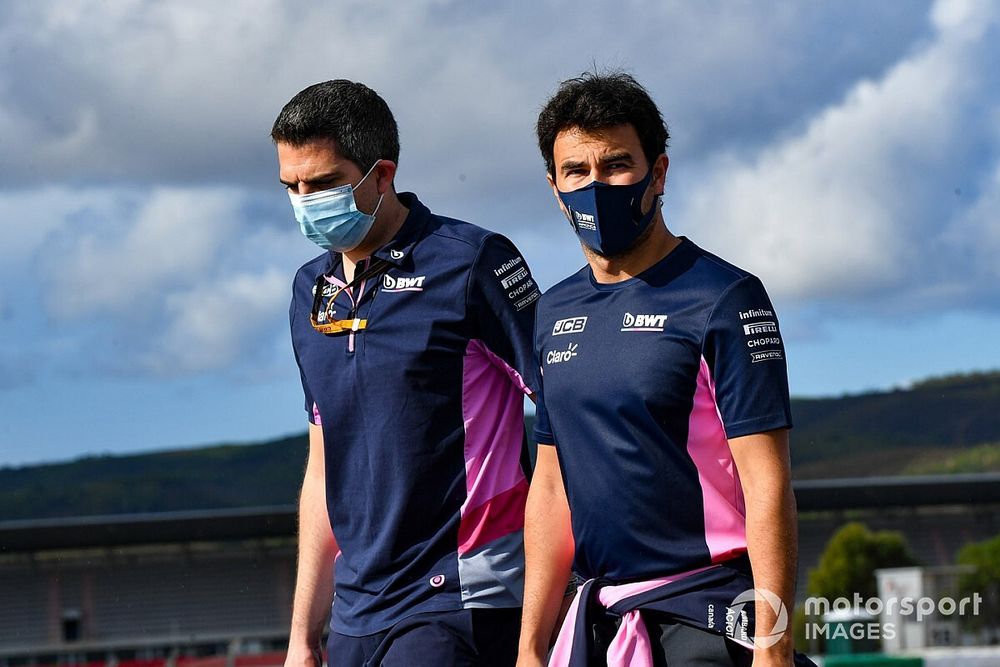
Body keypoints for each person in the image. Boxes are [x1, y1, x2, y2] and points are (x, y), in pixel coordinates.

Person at [518, 72, 814, 666]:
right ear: (554, 187)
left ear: (658, 172)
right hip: (599, 623)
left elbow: (766, 480)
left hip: (709, 616)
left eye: (616, 165)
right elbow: (550, 486)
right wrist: (530, 646)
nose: (595, 186)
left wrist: (773, 647)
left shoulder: (726, 297)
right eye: (577, 172)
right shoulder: (551, 311)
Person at [273, 80, 541, 666]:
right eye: (291, 186)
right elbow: (323, 466)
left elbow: (565, 415)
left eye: (322, 184)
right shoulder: (307, 291)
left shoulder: (474, 262)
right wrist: (301, 637)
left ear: (382, 173)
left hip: (461, 596)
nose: (304, 201)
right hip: (355, 613)